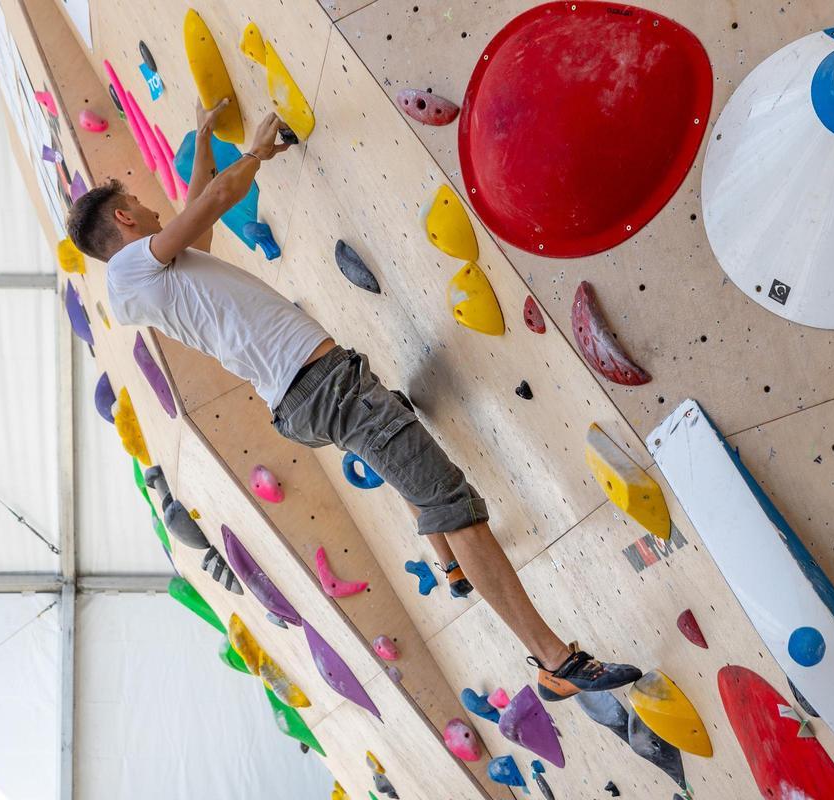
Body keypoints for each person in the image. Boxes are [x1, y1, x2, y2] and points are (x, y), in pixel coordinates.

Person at [65, 100, 642, 699]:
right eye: (137, 200)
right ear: (126, 216)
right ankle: (555, 662)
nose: (150, 203)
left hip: (315, 391)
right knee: (454, 505)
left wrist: (206, 136)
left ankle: (447, 563)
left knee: (409, 444)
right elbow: (208, 205)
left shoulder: (157, 271)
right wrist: (256, 153)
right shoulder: (129, 271)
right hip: (321, 388)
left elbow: (198, 214)